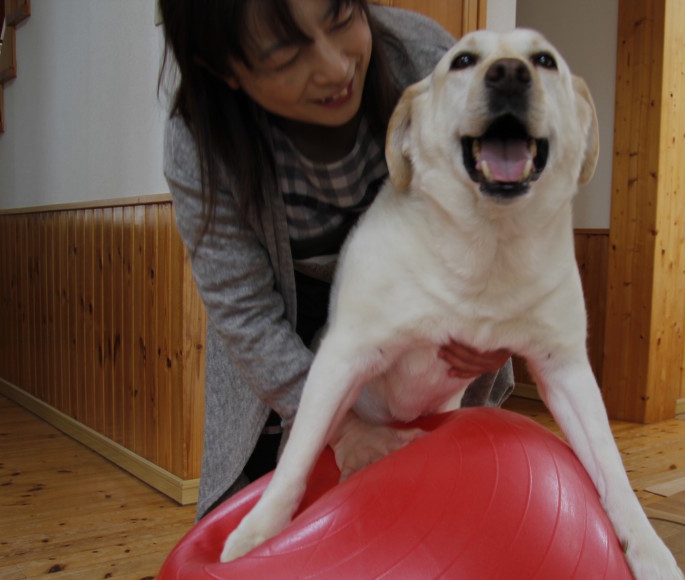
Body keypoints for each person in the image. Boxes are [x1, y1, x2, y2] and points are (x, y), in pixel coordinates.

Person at [159, 0, 514, 519]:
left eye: (342, 18)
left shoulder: (431, 64)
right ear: (223, 69)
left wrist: (501, 316)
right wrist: (342, 428)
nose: (335, 67)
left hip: (419, 310)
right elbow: (246, 313)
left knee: (438, 492)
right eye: (285, 55)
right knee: (280, 506)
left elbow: (503, 218)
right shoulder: (198, 142)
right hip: (290, 313)